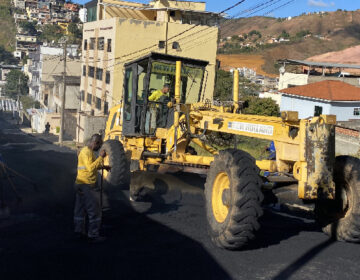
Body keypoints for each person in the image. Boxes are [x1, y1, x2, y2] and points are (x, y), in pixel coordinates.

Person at [73, 134, 110, 243]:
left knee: (80, 210)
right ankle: (93, 235)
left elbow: (92, 165)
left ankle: (79, 231)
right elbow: (90, 168)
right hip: (87, 186)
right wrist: (101, 157)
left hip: (80, 184)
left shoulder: (86, 151)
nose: (99, 149)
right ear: (95, 143)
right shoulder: (87, 152)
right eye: (99, 146)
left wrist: (104, 167)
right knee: (94, 211)